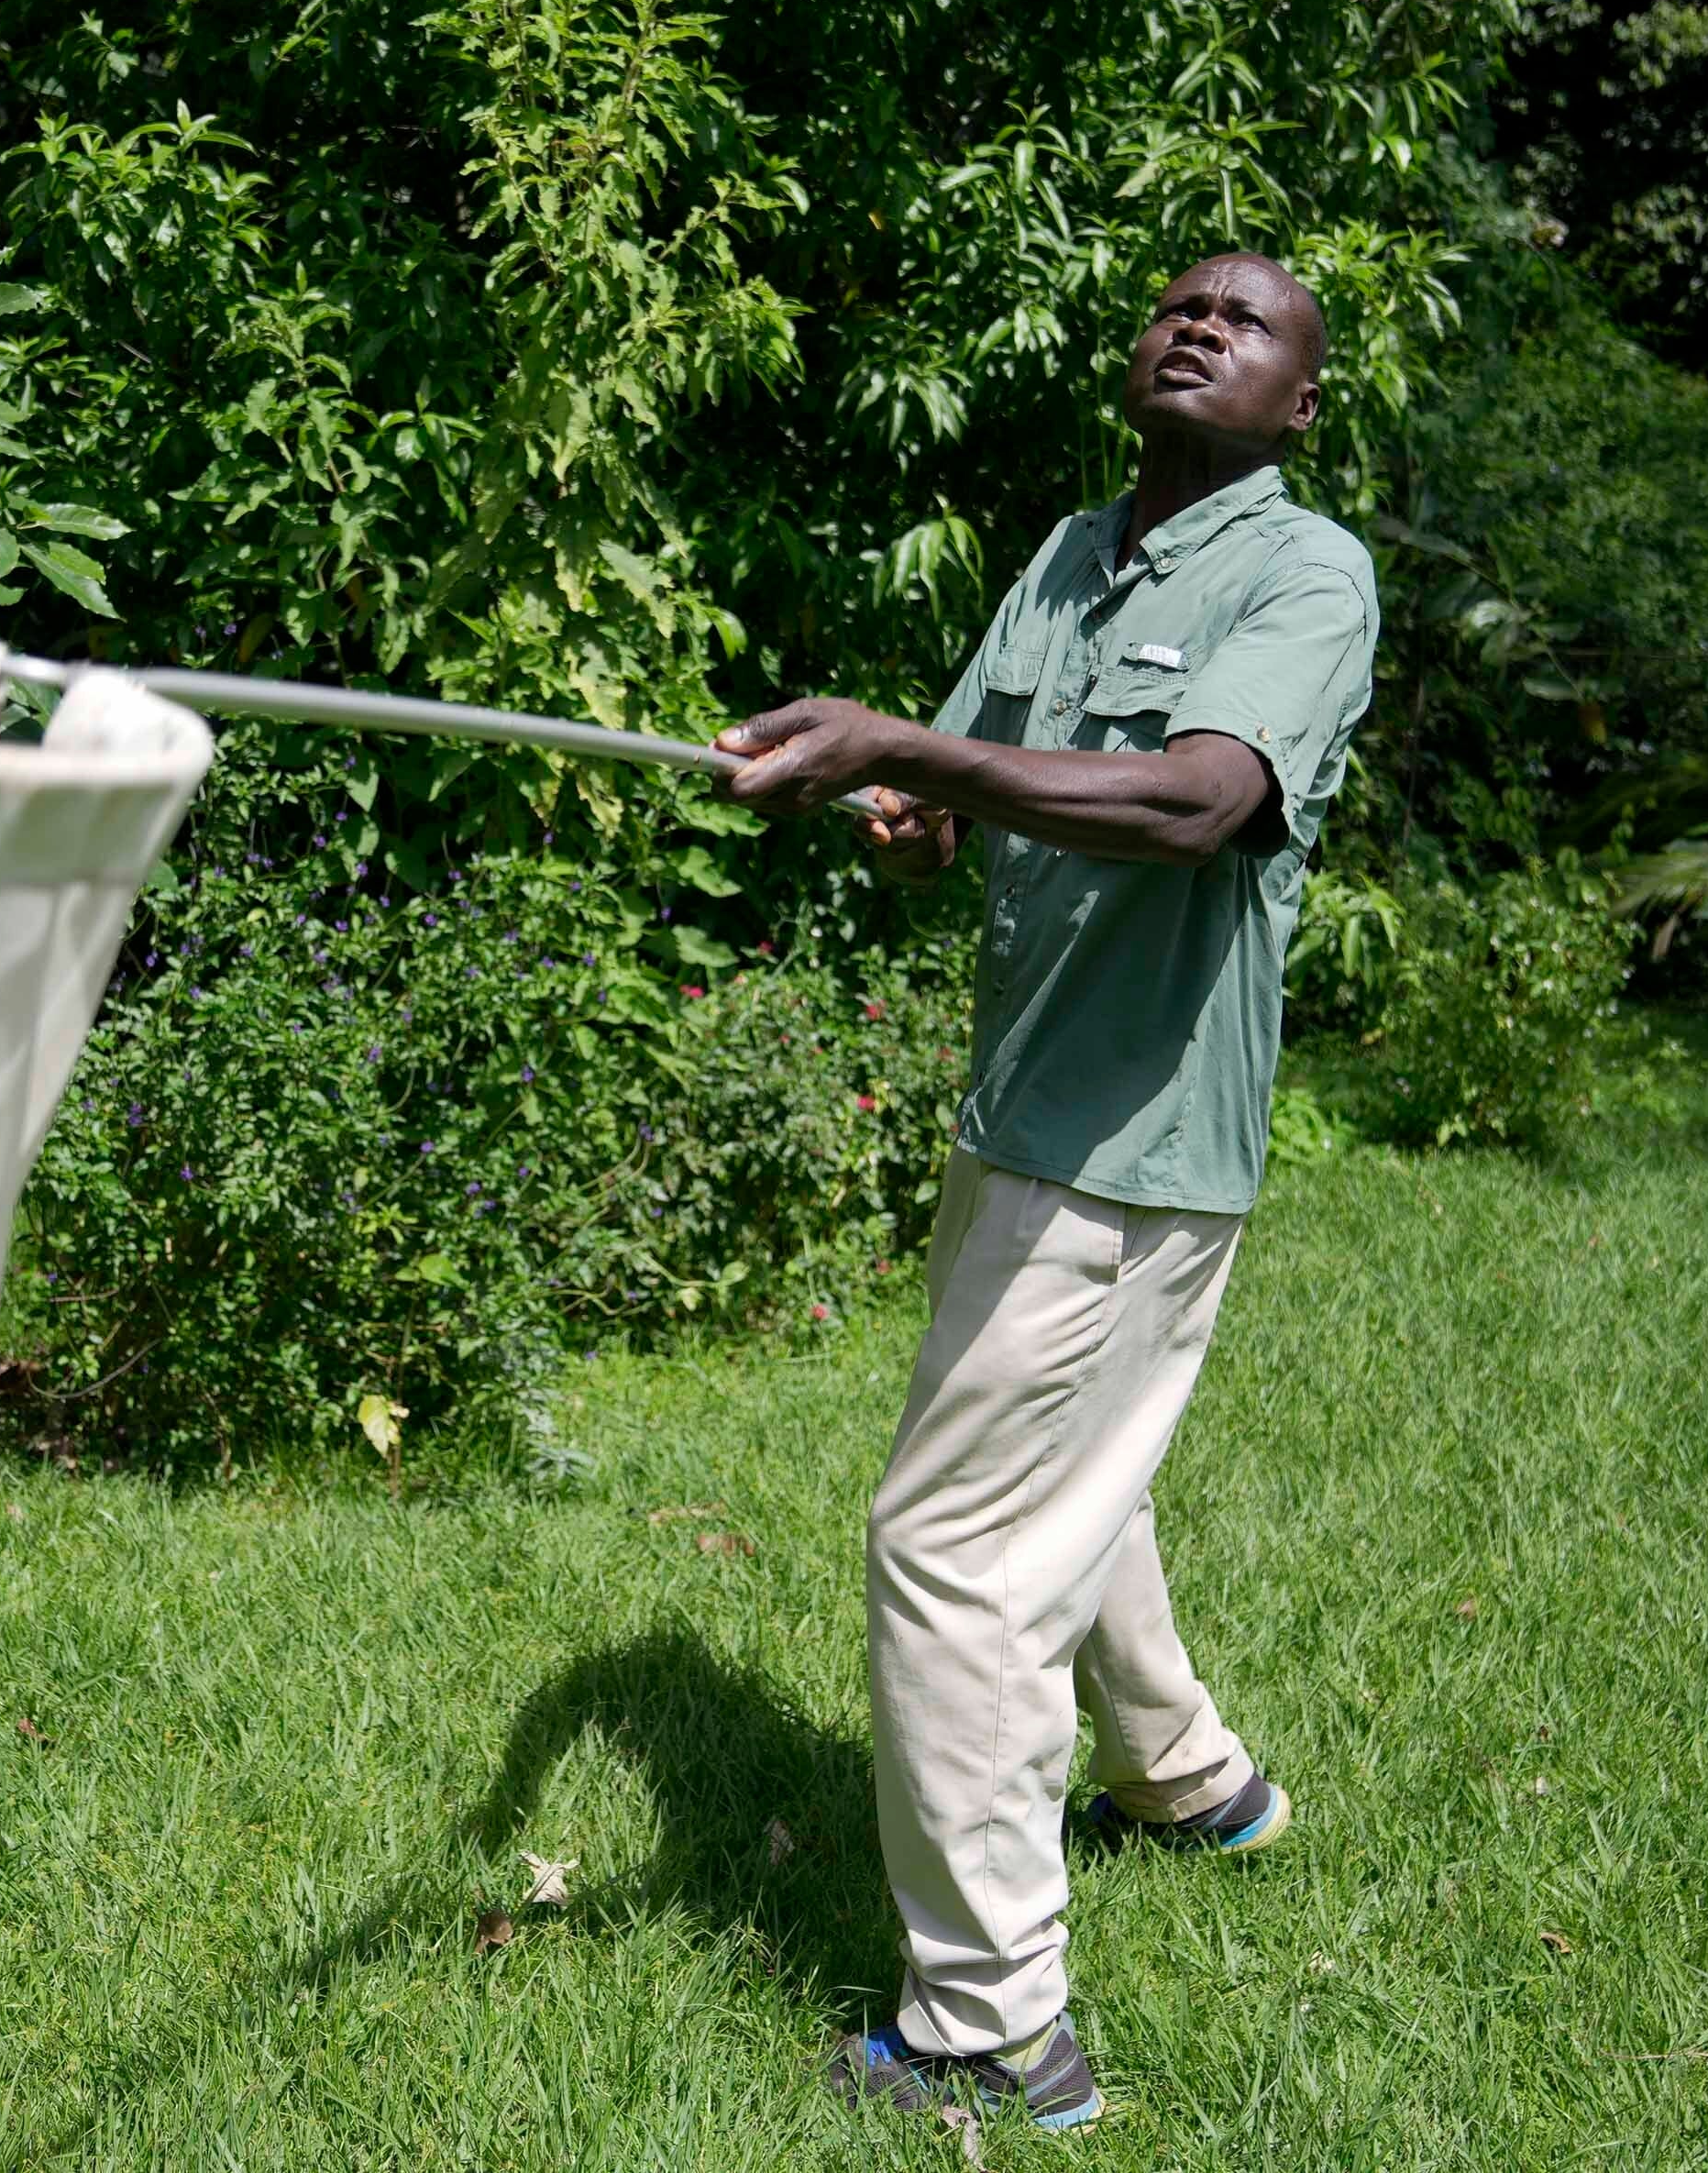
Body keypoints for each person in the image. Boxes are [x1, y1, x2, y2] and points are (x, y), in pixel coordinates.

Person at [712, 252, 1379, 2133]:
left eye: (1243, 323)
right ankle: (1192, 1780)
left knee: (955, 1553)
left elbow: (1192, 802)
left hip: (1130, 1152)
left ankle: (995, 2030)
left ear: (1300, 403)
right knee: (1078, 1473)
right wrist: (902, 810)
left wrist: (912, 750)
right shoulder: (1073, 553)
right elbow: (959, 807)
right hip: (1026, 1118)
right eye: (1177, 305)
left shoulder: (1306, 575)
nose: (1195, 326)